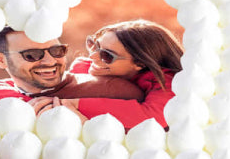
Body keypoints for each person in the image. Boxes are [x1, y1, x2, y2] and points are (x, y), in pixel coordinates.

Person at [31, 20, 183, 129]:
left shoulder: (166, 81)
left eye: (106, 55)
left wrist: (75, 104)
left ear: (140, 64)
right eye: (94, 45)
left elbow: (153, 117)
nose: (93, 56)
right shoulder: (84, 68)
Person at [0, 26, 144, 105]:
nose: (50, 61)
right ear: (0, 60)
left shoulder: (113, 91)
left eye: (56, 51)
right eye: (32, 55)